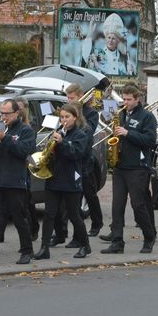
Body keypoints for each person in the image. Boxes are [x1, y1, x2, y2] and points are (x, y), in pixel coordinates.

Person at [0, 99, 36, 266]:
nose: (3, 117)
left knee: (19, 218)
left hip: (15, 181)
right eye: (1, 113)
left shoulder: (25, 131)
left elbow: (24, 151)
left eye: (7, 114)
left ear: (16, 113)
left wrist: (6, 138)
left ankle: (26, 251)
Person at [101, 84, 157, 254]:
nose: (125, 102)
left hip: (137, 167)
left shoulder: (147, 117)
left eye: (128, 100)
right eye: (123, 99)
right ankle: (117, 242)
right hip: (120, 166)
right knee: (117, 205)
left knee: (137, 205)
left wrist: (128, 133)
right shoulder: (121, 113)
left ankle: (149, 236)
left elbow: (150, 140)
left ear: (137, 99)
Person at [34, 103, 91, 260]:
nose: (64, 120)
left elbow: (76, 153)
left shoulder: (80, 135)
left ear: (75, 118)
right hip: (54, 178)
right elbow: (51, 155)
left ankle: (85, 246)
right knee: (49, 214)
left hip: (71, 179)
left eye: (67, 117)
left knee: (74, 215)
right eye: (62, 117)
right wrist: (49, 151)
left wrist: (62, 143)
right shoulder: (57, 132)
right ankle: (44, 247)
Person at [65, 84, 104, 237]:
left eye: (72, 98)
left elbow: (88, 133)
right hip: (71, 158)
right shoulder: (67, 111)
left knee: (89, 193)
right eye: (67, 97)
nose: (69, 100)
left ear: (81, 96)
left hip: (85, 158)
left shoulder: (91, 113)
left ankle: (97, 222)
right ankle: (66, 231)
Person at [15, 96, 40, 241]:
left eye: (19, 107)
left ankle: (33, 227)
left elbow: (30, 147)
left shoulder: (31, 125)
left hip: (25, 164)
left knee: (27, 200)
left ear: (24, 107)